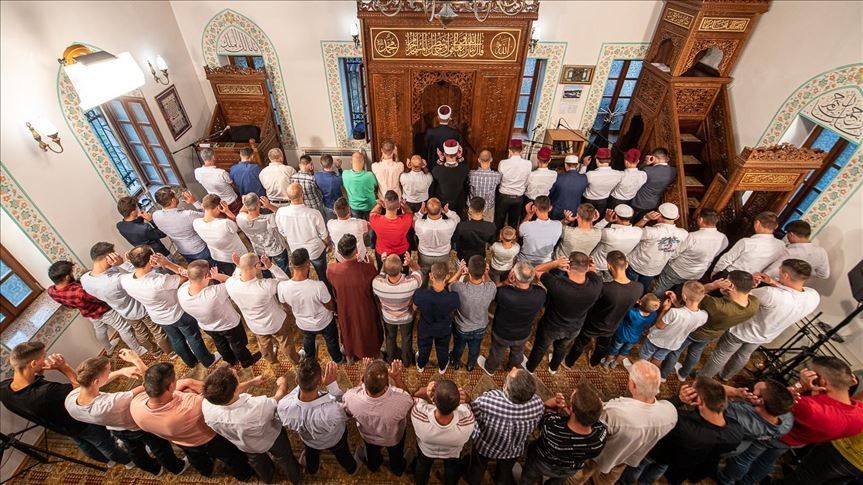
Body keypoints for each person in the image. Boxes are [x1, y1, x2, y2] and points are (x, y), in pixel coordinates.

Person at [721, 357, 863, 485]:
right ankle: (748, 481)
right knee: (767, 461)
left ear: (823, 381)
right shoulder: (859, 413)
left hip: (775, 435)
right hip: (796, 442)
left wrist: (800, 385)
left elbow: (772, 403)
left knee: (744, 458)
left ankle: (727, 479)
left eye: (812, 373)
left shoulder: (810, 407)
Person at [1, 342, 131, 467]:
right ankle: (127, 461)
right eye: (43, 357)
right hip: (80, 421)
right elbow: (83, 389)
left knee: (84, 444)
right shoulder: (46, 392)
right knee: (104, 443)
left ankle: (107, 461)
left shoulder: (4, 388)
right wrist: (64, 367)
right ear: (33, 363)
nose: (46, 361)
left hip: (59, 426)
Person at [66, 351, 189, 476]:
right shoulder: (113, 402)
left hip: (115, 428)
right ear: (96, 381)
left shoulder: (71, 399)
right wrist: (136, 360)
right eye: (108, 372)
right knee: (160, 446)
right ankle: (177, 468)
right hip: (137, 426)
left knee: (135, 451)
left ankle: (154, 469)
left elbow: (94, 383)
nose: (110, 373)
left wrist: (121, 371)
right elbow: (152, 386)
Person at [129, 362, 254, 480]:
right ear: (171, 386)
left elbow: (158, 386)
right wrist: (189, 383)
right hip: (209, 438)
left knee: (196, 458)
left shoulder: (135, 405)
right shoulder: (192, 405)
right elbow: (217, 395)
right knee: (232, 456)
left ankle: (206, 471)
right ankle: (244, 475)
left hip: (180, 441)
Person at [700, 259, 820, 380]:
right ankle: (725, 376)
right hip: (766, 334)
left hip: (743, 330)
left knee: (721, 354)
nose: (778, 271)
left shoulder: (770, 294)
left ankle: (703, 378)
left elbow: (739, 297)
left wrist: (748, 286)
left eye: (780, 270)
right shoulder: (813, 295)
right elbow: (793, 293)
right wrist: (773, 282)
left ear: (786, 275)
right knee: (743, 355)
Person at [622, 377, 744, 485]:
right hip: (677, 461)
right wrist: (735, 392)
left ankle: (625, 482)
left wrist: (679, 399)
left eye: (692, 390)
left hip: (655, 451)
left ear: (699, 401)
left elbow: (655, 413)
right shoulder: (736, 431)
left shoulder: (681, 422)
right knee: (659, 469)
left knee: (638, 466)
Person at [570, 361, 677, 485]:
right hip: (628, 457)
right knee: (608, 479)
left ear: (633, 385)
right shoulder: (670, 412)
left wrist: (597, 406)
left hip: (601, 455)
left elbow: (592, 427)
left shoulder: (616, 413)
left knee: (581, 474)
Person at [201, 365, 302, 484]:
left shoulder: (206, 405)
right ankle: (296, 477)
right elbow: (278, 399)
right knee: (285, 458)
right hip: (271, 438)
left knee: (258, 463)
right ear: (235, 390)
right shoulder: (257, 407)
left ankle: (267, 478)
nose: (235, 371)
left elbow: (229, 393)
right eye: (236, 377)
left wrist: (252, 382)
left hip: (244, 445)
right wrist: (283, 384)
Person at [121, 246, 218, 368]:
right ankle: (208, 361)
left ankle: (190, 362)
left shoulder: (125, 280)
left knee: (176, 340)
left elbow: (133, 271)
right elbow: (189, 276)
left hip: (158, 316)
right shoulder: (160, 281)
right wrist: (167, 264)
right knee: (193, 337)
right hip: (178, 313)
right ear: (151, 260)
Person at [659, 271, 759, 381]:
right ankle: (683, 374)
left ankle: (663, 375)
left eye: (726, 280)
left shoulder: (716, 305)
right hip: (712, 334)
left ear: (731, 286)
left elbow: (694, 295)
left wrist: (713, 285)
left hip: (693, 330)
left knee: (676, 351)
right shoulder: (754, 303)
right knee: (695, 352)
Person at [81, 242, 172, 357]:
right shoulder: (116, 280)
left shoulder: (84, 279)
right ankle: (170, 352)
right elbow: (141, 275)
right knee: (157, 331)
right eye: (114, 254)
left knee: (140, 332)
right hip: (140, 308)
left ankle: (155, 352)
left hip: (123, 311)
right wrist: (123, 263)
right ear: (108, 257)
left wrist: (115, 265)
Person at [526, 252, 603, 374]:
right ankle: (553, 368)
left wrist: (555, 263)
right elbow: (592, 272)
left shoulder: (558, 284)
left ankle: (530, 368)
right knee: (562, 348)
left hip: (551, 326)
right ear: (587, 267)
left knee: (540, 347)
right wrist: (590, 266)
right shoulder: (597, 284)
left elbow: (536, 270)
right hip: (575, 327)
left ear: (568, 266)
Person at [564, 251, 644, 368]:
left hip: (594, 323)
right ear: (626, 264)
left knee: (580, 343)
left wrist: (591, 274)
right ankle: (594, 363)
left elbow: (591, 301)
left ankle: (568, 362)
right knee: (602, 347)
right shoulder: (639, 287)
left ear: (609, 266)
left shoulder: (606, 288)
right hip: (613, 325)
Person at [278, 359, 358, 475]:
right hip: (334, 440)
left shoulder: (284, 406)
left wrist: (304, 380)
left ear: (296, 380)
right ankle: (351, 469)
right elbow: (348, 411)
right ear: (320, 381)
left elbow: (296, 391)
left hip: (309, 441)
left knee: (311, 455)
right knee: (343, 454)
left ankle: (312, 470)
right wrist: (332, 386)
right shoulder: (332, 410)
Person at [47, 260, 144, 356]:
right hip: (104, 311)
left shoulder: (51, 290)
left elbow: (70, 300)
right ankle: (138, 350)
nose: (73, 273)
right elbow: (98, 297)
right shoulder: (79, 292)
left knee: (100, 330)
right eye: (71, 272)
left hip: (88, 313)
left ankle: (108, 349)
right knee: (123, 328)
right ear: (67, 277)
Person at [465, 368, 544, 485]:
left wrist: (468, 400)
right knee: (504, 473)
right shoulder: (538, 404)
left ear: (505, 388)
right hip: (513, 450)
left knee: (477, 467)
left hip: (485, 447)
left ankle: (473, 481)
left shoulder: (487, 401)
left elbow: (474, 413)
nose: (513, 367)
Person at [520, 382, 608, 484]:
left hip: (542, 462)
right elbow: (585, 420)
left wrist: (550, 406)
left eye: (570, 399)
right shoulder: (600, 435)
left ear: (572, 409)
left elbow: (542, 416)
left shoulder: (552, 427)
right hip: (570, 468)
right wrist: (566, 409)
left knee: (529, 475)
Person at [178, 261, 260, 368]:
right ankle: (246, 361)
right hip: (229, 325)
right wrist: (217, 276)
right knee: (238, 345)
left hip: (207, 327)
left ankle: (230, 361)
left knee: (221, 344)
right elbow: (233, 283)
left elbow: (191, 279)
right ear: (207, 276)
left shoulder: (182, 291)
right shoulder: (215, 292)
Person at [343, 359, 415, 475]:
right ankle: (397, 470)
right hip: (393, 438)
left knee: (372, 455)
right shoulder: (400, 399)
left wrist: (366, 374)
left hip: (368, 437)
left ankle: (373, 466)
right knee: (396, 457)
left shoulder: (350, 397)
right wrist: (397, 378)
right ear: (387, 383)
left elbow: (349, 406)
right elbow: (410, 401)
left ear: (363, 381)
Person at [226, 252, 301, 364]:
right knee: (285, 342)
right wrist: (271, 266)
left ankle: (271, 359)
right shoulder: (265, 285)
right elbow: (285, 281)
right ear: (257, 266)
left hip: (255, 325)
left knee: (264, 345)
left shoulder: (230, 284)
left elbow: (235, 276)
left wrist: (239, 266)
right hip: (276, 322)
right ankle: (295, 360)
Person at [477, 261, 546, 374]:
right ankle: (512, 367)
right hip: (523, 332)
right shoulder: (541, 294)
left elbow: (492, 289)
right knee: (518, 352)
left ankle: (490, 368)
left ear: (514, 275)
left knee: (497, 352)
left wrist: (506, 282)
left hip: (502, 332)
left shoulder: (504, 293)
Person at [277, 249, 344, 363]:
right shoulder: (318, 286)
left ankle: (310, 362)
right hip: (324, 322)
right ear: (308, 263)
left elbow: (285, 307)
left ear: (290, 263)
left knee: (308, 340)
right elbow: (331, 306)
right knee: (331, 341)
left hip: (303, 323)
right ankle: (338, 359)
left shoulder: (282, 287)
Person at [327, 234, 382, 362]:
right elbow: (374, 284)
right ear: (356, 250)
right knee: (368, 329)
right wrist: (371, 264)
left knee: (348, 330)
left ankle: (350, 355)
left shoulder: (331, 270)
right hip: (364, 306)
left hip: (345, 307)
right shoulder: (367, 268)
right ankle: (373, 353)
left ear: (340, 253)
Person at [411, 379, 475, 485]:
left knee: (422, 465)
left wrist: (426, 390)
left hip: (426, 450)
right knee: (452, 469)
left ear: (433, 400)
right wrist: (466, 398)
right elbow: (470, 404)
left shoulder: (419, 414)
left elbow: (414, 396)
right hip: (452, 453)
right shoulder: (467, 421)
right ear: (458, 404)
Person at [652, 208, 728, 295]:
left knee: (661, 287)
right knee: (684, 292)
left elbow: (674, 254)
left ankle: (653, 300)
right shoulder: (724, 238)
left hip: (677, 269)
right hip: (697, 274)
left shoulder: (693, 236)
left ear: (700, 219)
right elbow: (715, 254)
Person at [638, 281, 708, 372]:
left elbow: (659, 325)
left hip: (657, 339)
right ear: (702, 297)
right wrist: (675, 302)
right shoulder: (704, 315)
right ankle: (651, 372)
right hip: (673, 343)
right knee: (659, 358)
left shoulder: (674, 312)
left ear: (684, 297)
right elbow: (688, 318)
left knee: (645, 354)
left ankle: (640, 370)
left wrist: (664, 309)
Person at [275, 182, 332, 291]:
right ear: (303, 195)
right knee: (322, 274)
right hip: (315, 250)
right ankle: (328, 293)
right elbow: (324, 234)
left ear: (288, 197)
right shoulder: (314, 213)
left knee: (303, 277)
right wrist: (326, 244)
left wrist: (292, 240)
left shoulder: (280, 212)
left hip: (296, 250)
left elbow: (282, 232)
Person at [447, 256, 497, 371]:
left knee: (458, 347)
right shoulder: (491, 288)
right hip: (480, 327)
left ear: (469, 270)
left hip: (462, 327)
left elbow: (448, 285)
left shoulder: (459, 288)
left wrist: (460, 273)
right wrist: (486, 274)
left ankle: (456, 363)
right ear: (484, 271)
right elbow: (490, 283)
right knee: (475, 349)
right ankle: (470, 365)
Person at [373, 254, 423, 365]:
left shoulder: (377, 283)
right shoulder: (411, 283)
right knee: (406, 338)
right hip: (406, 316)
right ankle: (406, 361)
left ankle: (391, 359)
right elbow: (419, 271)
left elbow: (381, 275)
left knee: (390, 337)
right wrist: (410, 263)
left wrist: (384, 265)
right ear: (401, 268)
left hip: (388, 317)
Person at [626, 202, 689, 290]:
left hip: (636, 264)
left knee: (629, 287)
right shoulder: (684, 234)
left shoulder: (651, 231)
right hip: (655, 268)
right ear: (677, 217)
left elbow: (633, 232)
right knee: (643, 288)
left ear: (658, 215)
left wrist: (646, 218)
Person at [413, 262, 460, 373]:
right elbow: (455, 309)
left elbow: (414, 308)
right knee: (443, 349)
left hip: (425, 328)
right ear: (447, 276)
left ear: (430, 275)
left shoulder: (420, 294)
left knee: (424, 349)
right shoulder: (453, 298)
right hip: (443, 329)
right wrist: (459, 273)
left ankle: (421, 365)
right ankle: (442, 367)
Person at [713, 211, 785, 276]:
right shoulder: (781, 245)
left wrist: (715, 271)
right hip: (750, 279)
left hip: (731, 275)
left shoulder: (746, 242)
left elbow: (727, 259)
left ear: (757, 223)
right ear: (776, 226)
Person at [600, 293, 661, 369]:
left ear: (640, 302)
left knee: (613, 350)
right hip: (634, 338)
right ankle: (614, 364)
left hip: (621, 335)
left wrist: (634, 302)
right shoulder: (654, 315)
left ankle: (606, 363)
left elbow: (624, 309)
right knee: (624, 352)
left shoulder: (632, 312)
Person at [152, 187, 212, 263]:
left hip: (183, 251)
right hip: (198, 249)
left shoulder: (155, 215)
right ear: (173, 200)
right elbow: (209, 215)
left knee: (196, 268)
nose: (177, 197)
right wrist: (194, 202)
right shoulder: (188, 215)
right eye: (175, 195)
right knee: (211, 266)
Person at [235, 193, 291, 274]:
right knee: (283, 271)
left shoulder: (240, 218)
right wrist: (269, 206)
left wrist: (247, 202)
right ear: (258, 205)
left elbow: (242, 211)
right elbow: (282, 214)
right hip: (276, 249)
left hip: (259, 250)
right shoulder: (269, 219)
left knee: (264, 270)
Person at [192, 193, 247, 274]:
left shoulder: (196, 223)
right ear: (219, 207)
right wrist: (227, 211)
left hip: (218, 257)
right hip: (238, 256)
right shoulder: (225, 223)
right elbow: (237, 226)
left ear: (203, 206)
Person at [591, 205, 643, 281]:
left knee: (593, 281)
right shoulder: (638, 232)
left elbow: (593, 233)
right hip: (616, 266)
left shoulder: (608, 233)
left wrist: (606, 220)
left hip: (597, 263)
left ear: (615, 216)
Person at [764, 219, 830, 280]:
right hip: (796, 285)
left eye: (787, 234)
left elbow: (770, 272)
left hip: (775, 282)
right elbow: (824, 275)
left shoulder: (790, 252)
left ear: (791, 234)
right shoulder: (821, 252)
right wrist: (803, 272)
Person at [415, 197, 459, 281]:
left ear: (426, 210)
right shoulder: (450, 225)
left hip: (424, 256)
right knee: (442, 278)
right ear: (441, 210)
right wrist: (448, 212)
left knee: (423, 276)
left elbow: (414, 219)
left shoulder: (419, 225)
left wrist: (420, 213)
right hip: (443, 255)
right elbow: (457, 219)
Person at [369, 191, 413, 267]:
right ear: (398, 206)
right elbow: (409, 212)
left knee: (382, 271)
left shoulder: (375, 220)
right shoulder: (406, 220)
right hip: (402, 252)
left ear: (384, 205)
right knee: (403, 272)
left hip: (382, 253)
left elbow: (372, 213)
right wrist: (404, 205)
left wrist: (379, 204)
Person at [630, 147, 676, 220]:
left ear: (653, 158)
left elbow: (632, 175)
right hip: (653, 203)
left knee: (631, 220)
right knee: (643, 220)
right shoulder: (673, 171)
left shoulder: (647, 170)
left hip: (639, 202)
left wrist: (645, 163)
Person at [495, 139, 532, 229]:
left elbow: (499, 180)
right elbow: (527, 181)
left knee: (499, 222)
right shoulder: (528, 164)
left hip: (504, 197)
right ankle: (511, 237)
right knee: (513, 223)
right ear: (522, 151)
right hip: (518, 198)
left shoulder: (503, 163)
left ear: (509, 151)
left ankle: (496, 237)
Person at [518, 196, 562, 265]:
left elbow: (519, 232)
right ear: (550, 208)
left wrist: (529, 215)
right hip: (545, 264)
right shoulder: (558, 225)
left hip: (525, 262)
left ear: (535, 208)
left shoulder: (526, 226)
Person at [431, 139, 470, 216]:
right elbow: (463, 165)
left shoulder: (437, 170)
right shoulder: (465, 169)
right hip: (458, 205)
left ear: (444, 154)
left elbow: (436, 169)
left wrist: (440, 159)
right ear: (457, 153)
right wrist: (460, 157)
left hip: (443, 205)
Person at [195, 147, 241, 214]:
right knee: (238, 216)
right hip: (231, 201)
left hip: (217, 203)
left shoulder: (197, 172)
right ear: (213, 157)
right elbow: (232, 184)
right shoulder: (221, 173)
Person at [453, 197, 497, 262]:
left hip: (463, 258)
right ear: (483, 209)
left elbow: (455, 240)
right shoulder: (490, 227)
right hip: (480, 258)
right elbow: (492, 242)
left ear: (470, 209)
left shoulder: (461, 226)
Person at [328, 197, 370, 263]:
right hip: (359, 257)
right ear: (349, 211)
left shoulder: (330, 224)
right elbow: (369, 227)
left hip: (341, 258)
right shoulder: (359, 224)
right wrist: (362, 236)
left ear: (335, 211)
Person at [582, 148, 623, 215]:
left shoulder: (590, 174)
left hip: (588, 200)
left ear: (597, 160)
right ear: (610, 160)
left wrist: (584, 166)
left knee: (586, 217)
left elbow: (580, 181)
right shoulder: (618, 174)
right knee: (597, 217)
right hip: (603, 200)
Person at [549, 155, 588, 221]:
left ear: (565, 165)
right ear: (577, 165)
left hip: (557, 211)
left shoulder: (558, 177)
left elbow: (551, 193)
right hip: (573, 211)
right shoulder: (584, 178)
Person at [423, 104, 461, 170]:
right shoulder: (454, 133)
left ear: (438, 117)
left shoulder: (430, 132)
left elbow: (425, 148)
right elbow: (458, 150)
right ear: (449, 118)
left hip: (432, 166)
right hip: (449, 166)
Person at [342, 151, 378, 219]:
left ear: (351, 162)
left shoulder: (345, 174)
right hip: (369, 206)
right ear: (363, 162)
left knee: (358, 224)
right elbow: (375, 185)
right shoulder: (369, 175)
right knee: (370, 223)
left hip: (354, 206)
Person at [468, 149, 502, 222]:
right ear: (491, 159)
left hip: (474, 207)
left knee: (472, 227)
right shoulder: (497, 176)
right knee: (487, 227)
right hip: (488, 207)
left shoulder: (471, 174)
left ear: (479, 160)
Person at [314, 154, 343, 221]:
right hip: (339, 205)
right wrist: (339, 168)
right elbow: (343, 177)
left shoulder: (317, 176)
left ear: (321, 165)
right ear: (332, 164)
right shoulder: (338, 179)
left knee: (330, 222)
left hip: (327, 205)